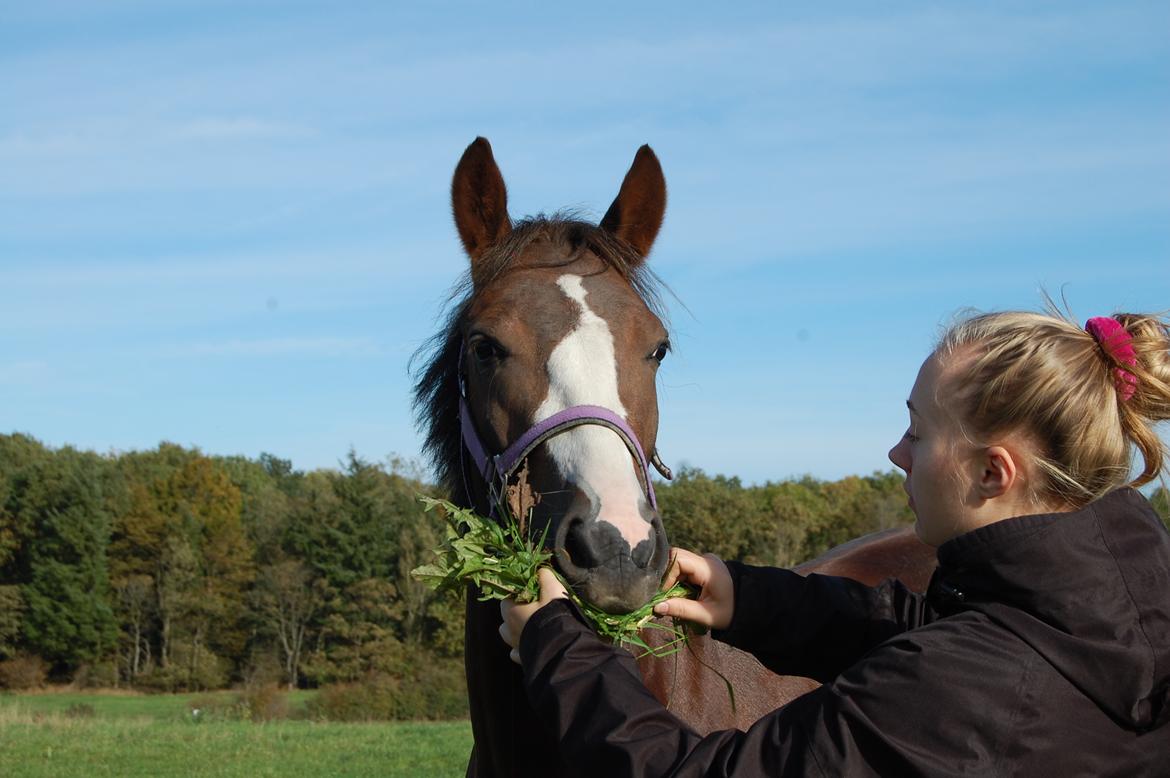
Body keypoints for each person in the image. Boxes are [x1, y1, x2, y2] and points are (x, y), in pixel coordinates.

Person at [499, 308, 1170, 776]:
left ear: (993, 473)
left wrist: (558, 652)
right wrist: (753, 601)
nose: (895, 453)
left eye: (919, 433)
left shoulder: (968, 691)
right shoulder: (1125, 593)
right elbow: (949, 629)